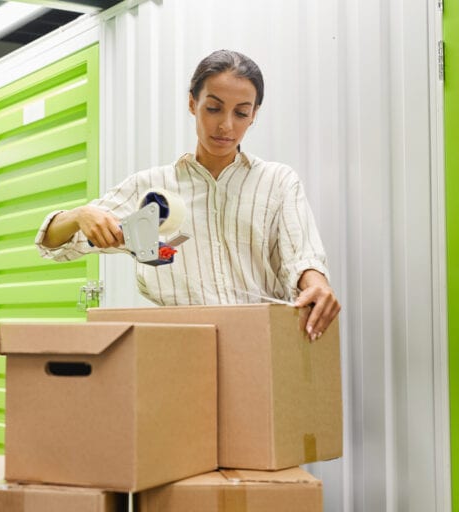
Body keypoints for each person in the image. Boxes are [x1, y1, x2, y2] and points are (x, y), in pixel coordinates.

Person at [34, 49, 340, 340]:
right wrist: (80, 215)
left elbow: (302, 257)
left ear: (254, 114)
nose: (226, 125)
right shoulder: (150, 190)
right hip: (182, 348)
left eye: (241, 113)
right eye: (213, 108)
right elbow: (50, 243)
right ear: (193, 103)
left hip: (262, 343)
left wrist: (317, 284)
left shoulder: (277, 182)